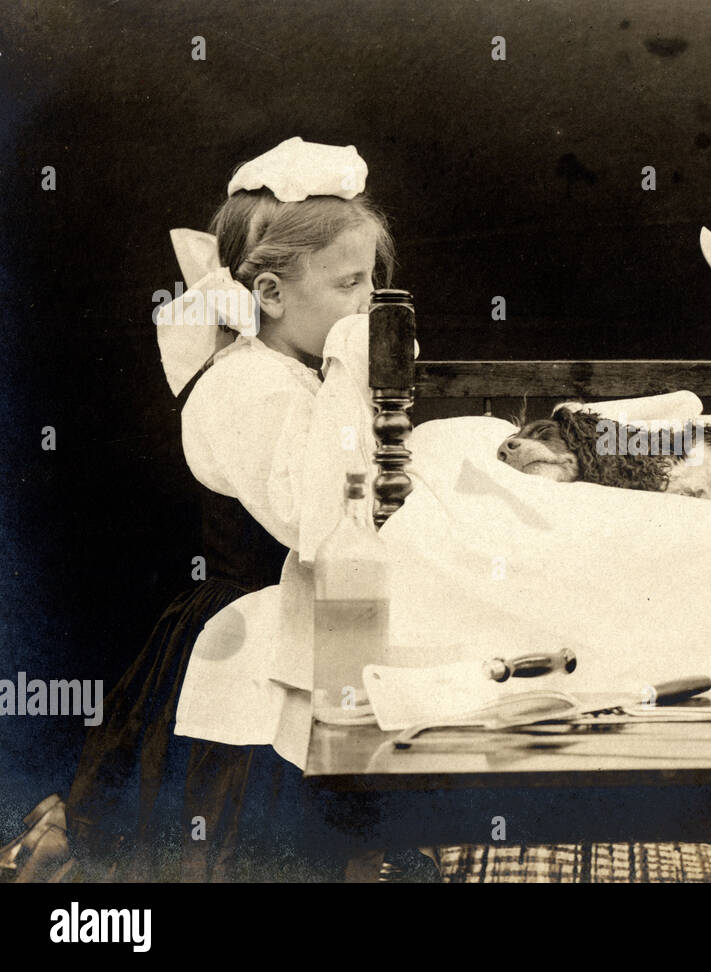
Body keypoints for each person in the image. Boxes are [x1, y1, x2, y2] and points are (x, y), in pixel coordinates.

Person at [2, 137, 397, 882]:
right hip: (248, 633)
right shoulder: (247, 385)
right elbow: (314, 519)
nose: (366, 305)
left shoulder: (289, 374)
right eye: (349, 286)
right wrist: (352, 363)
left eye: (371, 283)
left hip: (301, 619)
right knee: (237, 845)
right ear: (272, 294)